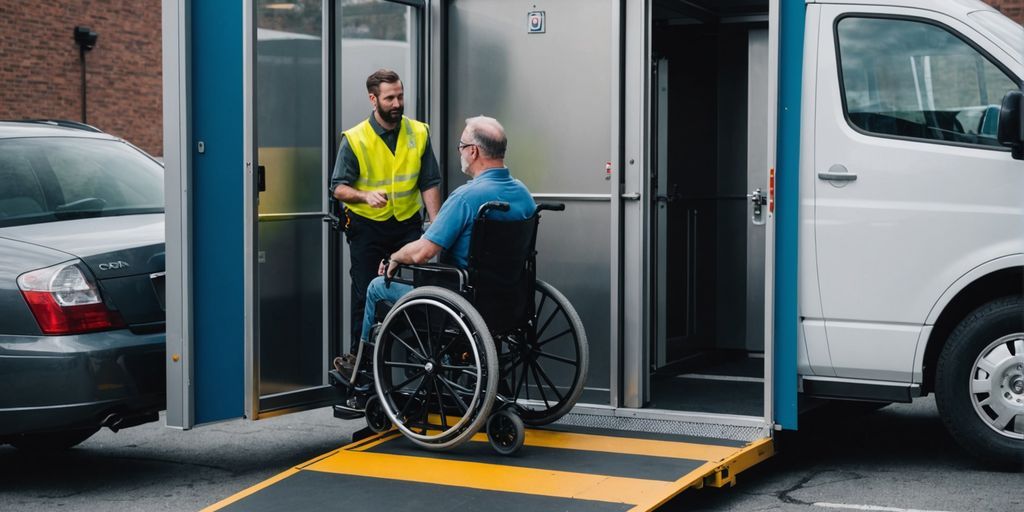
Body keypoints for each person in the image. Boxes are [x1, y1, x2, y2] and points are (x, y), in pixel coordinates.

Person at [338, 116, 536, 379]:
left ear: (473, 151)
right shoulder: (524, 195)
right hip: (509, 302)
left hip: (460, 303)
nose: (461, 151)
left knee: (376, 287)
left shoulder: (466, 198)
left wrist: (395, 257)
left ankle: (360, 369)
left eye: (461, 145)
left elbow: (423, 252)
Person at [330, 69, 441, 373]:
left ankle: (420, 359)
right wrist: (365, 196)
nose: (397, 103)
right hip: (368, 228)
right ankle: (361, 362)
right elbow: (337, 186)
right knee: (366, 292)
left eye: (400, 96)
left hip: (406, 225)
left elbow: (429, 182)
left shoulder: (418, 132)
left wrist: (437, 227)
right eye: (390, 97)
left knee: (417, 291)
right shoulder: (355, 139)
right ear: (373, 99)